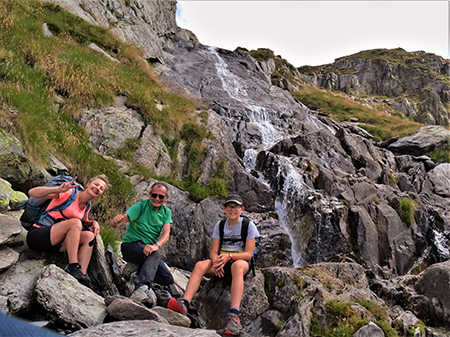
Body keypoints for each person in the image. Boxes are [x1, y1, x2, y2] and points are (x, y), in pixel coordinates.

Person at [167, 194, 259, 336]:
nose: (232, 210)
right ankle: (184, 304)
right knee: (199, 265)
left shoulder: (248, 226)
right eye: (229, 206)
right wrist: (216, 262)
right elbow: (213, 252)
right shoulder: (220, 225)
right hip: (221, 262)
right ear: (224, 208)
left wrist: (229, 257)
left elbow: (248, 254)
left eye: (236, 207)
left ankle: (234, 316)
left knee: (237, 266)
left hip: (239, 261)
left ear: (242, 209)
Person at [26, 175, 108, 286]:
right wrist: (58, 189)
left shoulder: (87, 206)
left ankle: (80, 276)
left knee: (89, 236)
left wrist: (93, 222)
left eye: (101, 188)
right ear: (88, 184)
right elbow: (32, 192)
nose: (98, 188)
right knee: (75, 223)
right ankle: (73, 266)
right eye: (96, 184)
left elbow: (83, 221)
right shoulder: (69, 194)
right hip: (38, 235)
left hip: (56, 244)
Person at [110, 181, 174, 303]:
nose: (157, 198)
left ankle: (138, 271)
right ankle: (141, 289)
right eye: (154, 195)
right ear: (149, 194)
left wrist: (156, 245)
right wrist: (115, 221)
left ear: (166, 198)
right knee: (155, 254)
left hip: (148, 250)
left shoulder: (166, 212)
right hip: (131, 245)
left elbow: (166, 234)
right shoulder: (141, 206)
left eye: (161, 196)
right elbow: (119, 222)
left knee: (167, 278)